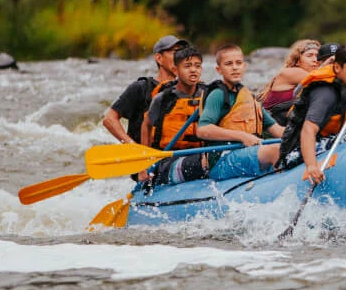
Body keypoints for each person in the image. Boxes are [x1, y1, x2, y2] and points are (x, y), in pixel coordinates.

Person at [276, 43, 346, 183]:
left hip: (332, 139)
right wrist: (311, 166)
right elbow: (308, 130)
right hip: (297, 151)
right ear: (338, 68)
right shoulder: (325, 92)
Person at [193, 44, 285, 181]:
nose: (235, 67)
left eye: (238, 63)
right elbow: (202, 129)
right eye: (229, 64)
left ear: (244, 66)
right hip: (222, 160)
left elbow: (278, 131)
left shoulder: (250, 99)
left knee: (287, 148)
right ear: (219, 69)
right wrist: (242, 136)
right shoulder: (218, 95)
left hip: (246, 154)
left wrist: (308, 134)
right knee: (275, 150)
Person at [139, 46, 207, 185]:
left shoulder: (208, 96)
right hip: (169, 161)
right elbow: (146, 126)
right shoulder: (163, 99)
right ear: (175, 70)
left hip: (201, 153)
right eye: (187, 66)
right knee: (208, 161)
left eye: (197, 66)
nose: (193, 70)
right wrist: (143, 168)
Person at [102, 35, 187, 144]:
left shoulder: (188, 90)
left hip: (174, 154)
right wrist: (131, 144)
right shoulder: (140, 88)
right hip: (144, 155)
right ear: (159, 58)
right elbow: (109, 119)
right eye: (174, 52)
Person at [257, 39, 320, 124]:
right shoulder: (292, 72)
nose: (315, 59)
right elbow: (323, 81)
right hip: (271, 127)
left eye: (318, 56)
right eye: (309, 55)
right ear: (297, 61)